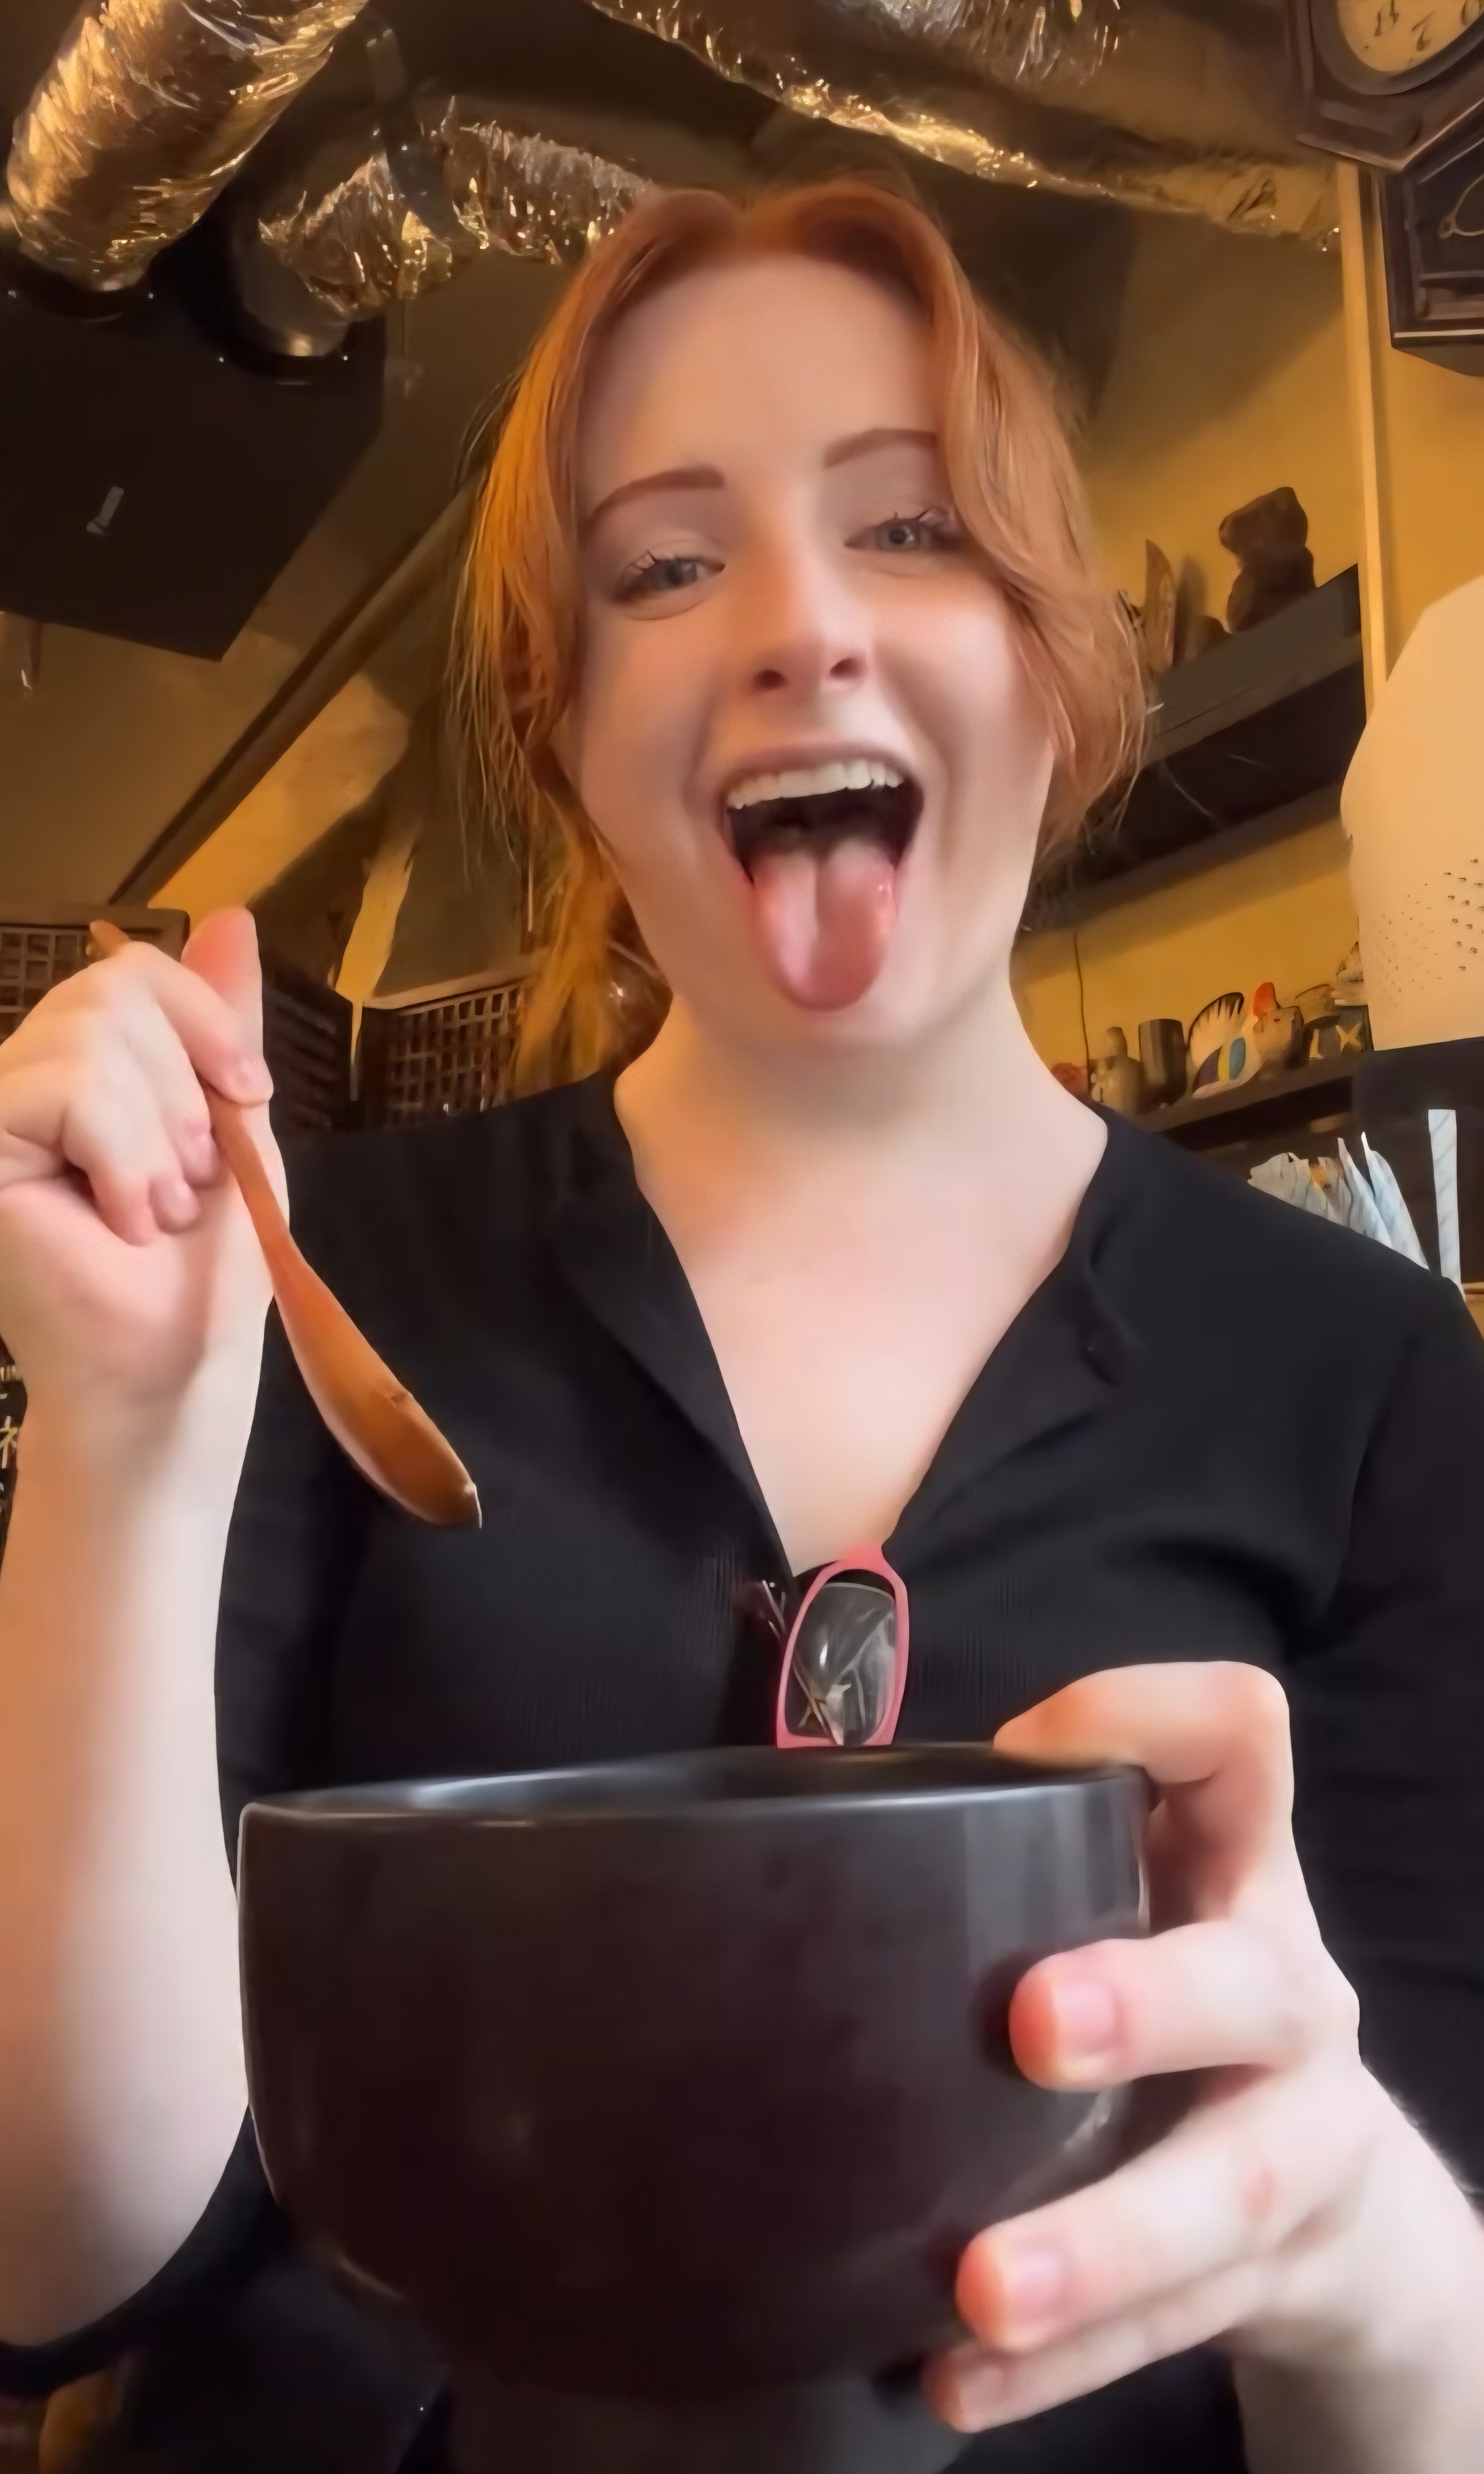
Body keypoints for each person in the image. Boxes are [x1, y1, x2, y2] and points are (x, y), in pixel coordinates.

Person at [1, 175, 1483, 2474]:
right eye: (669, 567)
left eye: (910, 528)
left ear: (1060, 666)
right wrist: (124, 1436)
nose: (800, 624)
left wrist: (1371, 2249)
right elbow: (63, 2263)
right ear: (571, 732)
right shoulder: (314, 1286)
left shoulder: (1373, 1385)